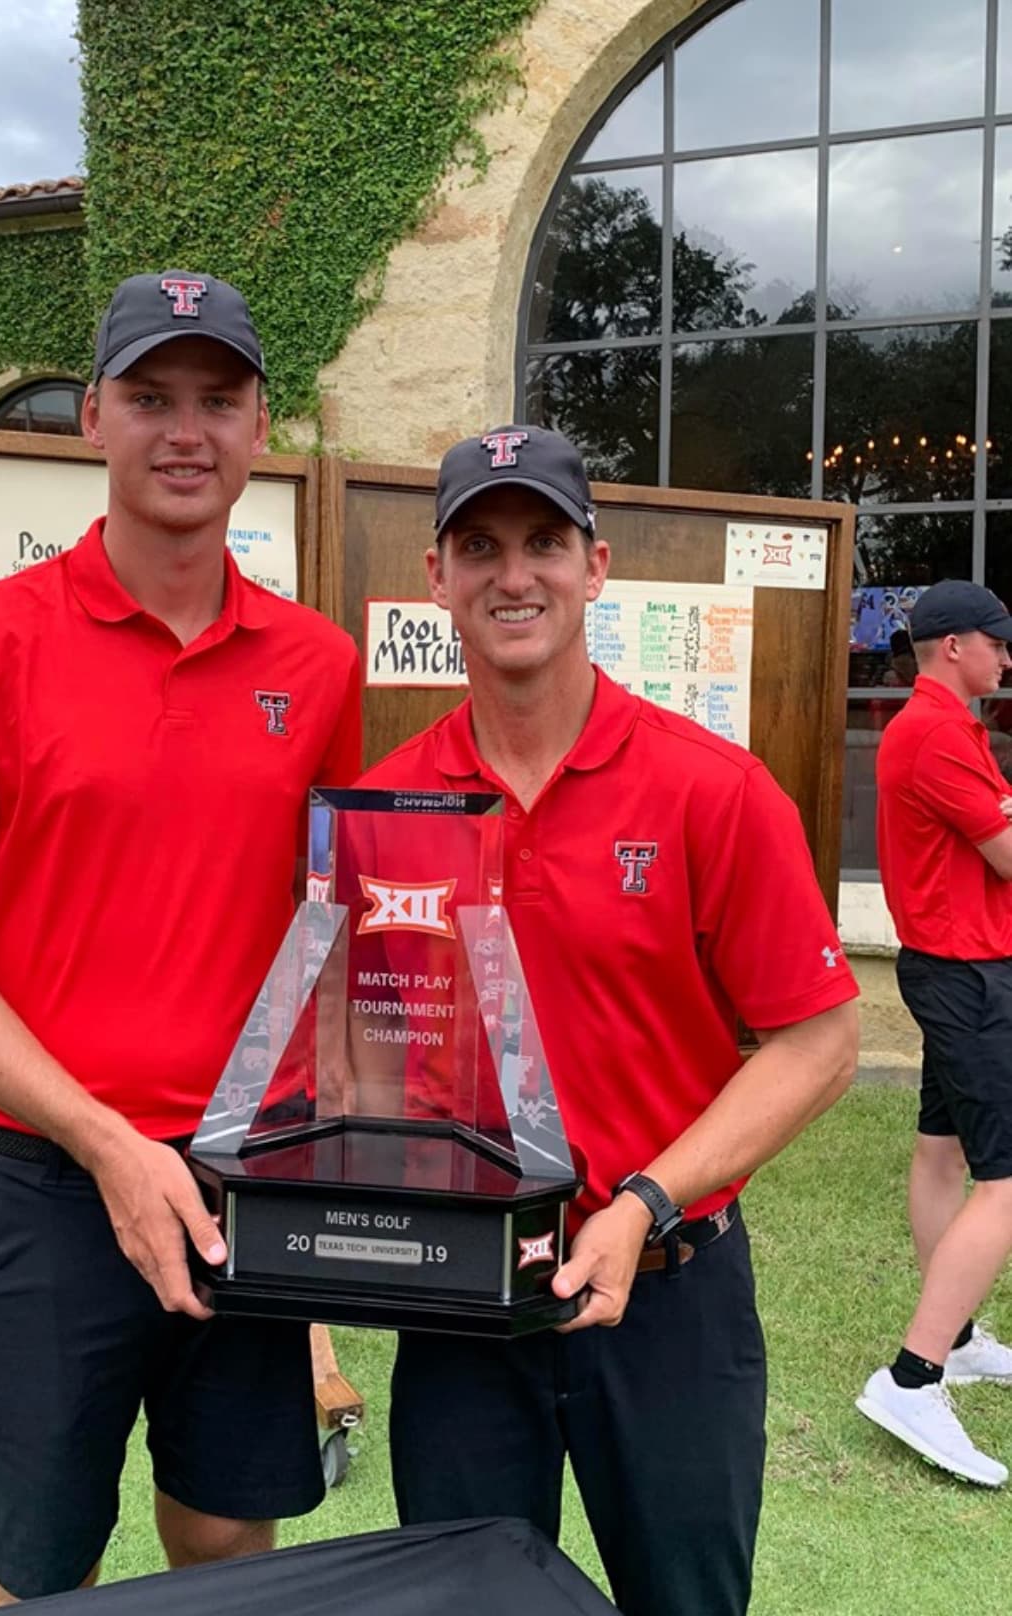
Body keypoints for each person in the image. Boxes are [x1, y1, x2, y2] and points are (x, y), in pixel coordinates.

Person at [0, 270, 363, 1605]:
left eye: (218, 400)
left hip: (247, 1186)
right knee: (38, 1566)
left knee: (226, 1543)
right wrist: (107, 1143)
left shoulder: (317, 668)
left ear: (261, 429)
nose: (184, 430)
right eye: (149, 398)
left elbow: (339, 926)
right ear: (91, 418)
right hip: (44, 1190)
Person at [359, 425, 860, 1616]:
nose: (512, 574)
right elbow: (369, 1052)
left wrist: (644, 1204)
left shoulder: (709, 787)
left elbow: (822, 1041)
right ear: (437, 578)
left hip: (670, 1291)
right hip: (468, 1294)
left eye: (544, 540)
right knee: (465, 1598)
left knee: (685, 1599)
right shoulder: (393, 803)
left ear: (598, 564)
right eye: (479, 545)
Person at [856, 579, 1012, 1488]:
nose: (1005, 659)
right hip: (970, 976)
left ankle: (952, 1338)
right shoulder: (938, 733)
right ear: (954, 646)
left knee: (941, 1157)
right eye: (997, 644)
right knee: (1005, 1184)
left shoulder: (940, 728)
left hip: (952, 967)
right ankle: (913, 1376)